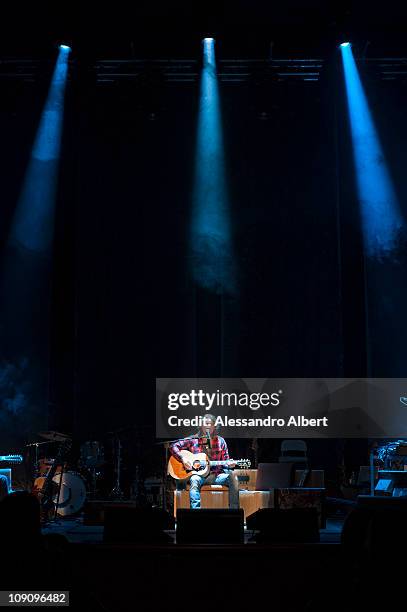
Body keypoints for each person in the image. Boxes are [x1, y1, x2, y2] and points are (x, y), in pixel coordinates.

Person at [169, 414, 239, 509]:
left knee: (233, 478)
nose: (207, 426)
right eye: (205, 423)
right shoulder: (193, 440)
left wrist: (229, 465)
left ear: (214, 426)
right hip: (199, 476)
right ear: (201, 425)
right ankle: (196, 514)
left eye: (210, 424)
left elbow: (226, 462)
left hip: (216, 476)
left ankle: (234, 513)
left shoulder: (221, 441)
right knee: (194, 479)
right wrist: (183, 458)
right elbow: (173, 446)